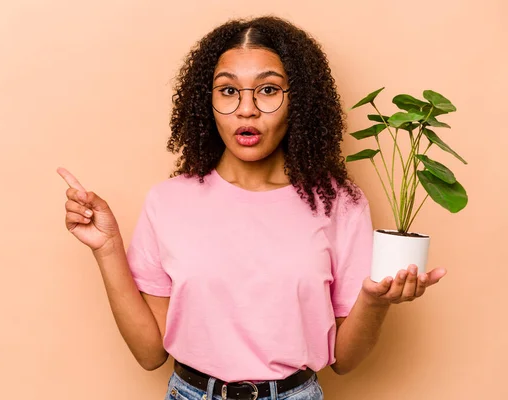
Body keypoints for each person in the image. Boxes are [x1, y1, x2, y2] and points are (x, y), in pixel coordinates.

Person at [57, 15, 446, 400]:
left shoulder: (340, 204)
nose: (247, 109)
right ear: (205, 102)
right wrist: (106, 249)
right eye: (228, 91)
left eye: (269, 90)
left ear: (301, 102)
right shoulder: (168, 201)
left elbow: (344, 360)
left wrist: (376, 303)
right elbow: (149, 353)